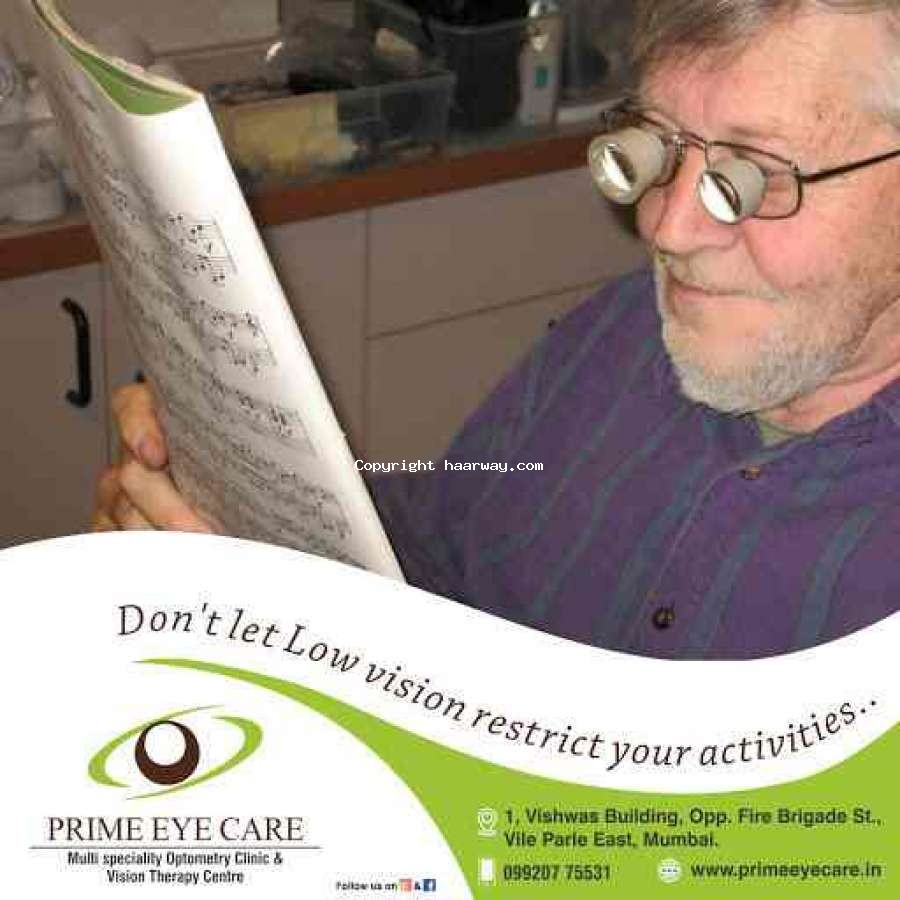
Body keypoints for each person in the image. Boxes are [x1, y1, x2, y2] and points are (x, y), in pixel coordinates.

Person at [93, 0, 900, 658]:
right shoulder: (617, 335)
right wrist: (240, 509)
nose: (669, 228)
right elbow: (437, 548)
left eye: (753, 177)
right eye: (660, 149)